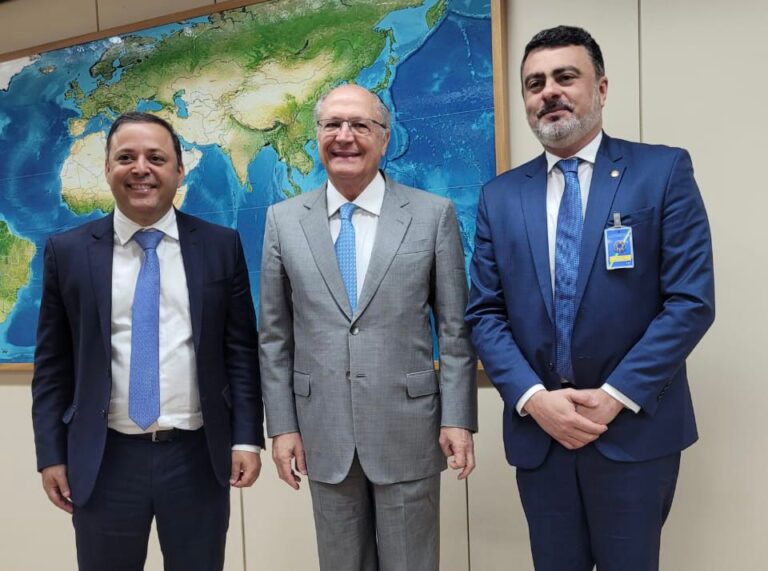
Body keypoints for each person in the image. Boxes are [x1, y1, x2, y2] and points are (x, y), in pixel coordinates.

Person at [465, 26, 715, 571]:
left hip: (632, 429)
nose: (548, 91)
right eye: (534, 83)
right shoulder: (500, 197)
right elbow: (484, 313)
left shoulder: (662, 171)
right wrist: (533, 398)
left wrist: (614, 395)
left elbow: (690, 301)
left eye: (565, 77)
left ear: (601, 88)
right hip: (541, 434)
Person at [31, 112, 264, 571]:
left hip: (197, 456)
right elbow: (53, 365)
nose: (141, 168)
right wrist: (50, 455)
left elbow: (240, 352)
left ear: (179, 170)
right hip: (104, 460)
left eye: (156, 158)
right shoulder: (69, 251)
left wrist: (246, 439)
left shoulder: (220, 245)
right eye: (126, 157)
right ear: (107, 169)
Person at [259, 84, 477, 571]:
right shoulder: (283, 221)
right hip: (323, 433)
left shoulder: (431, 215)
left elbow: (455, 331)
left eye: (359, 125)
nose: (345, 136)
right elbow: (274, 338)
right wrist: (283, 427)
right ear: (317, 137)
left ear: (383, 138)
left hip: (410, 429)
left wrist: (457, 418)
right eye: (332, 125)